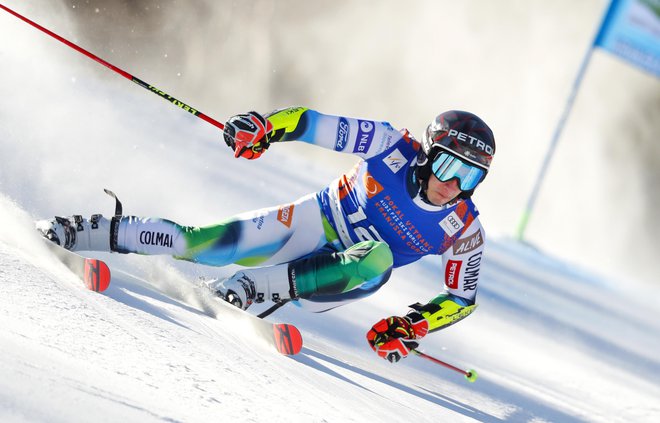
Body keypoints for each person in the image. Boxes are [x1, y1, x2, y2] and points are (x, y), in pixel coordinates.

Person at [36, 107, 495, 363]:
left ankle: (248, 290)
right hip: (314, 219)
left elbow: (461, 297)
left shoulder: (463, 228)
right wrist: (264, 128)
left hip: (339, 279)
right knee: (203, 244)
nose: (453, 186)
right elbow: (311, 124)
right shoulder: (390, 143)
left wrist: (410, 326)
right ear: (428, 154)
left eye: (470, 178)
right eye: (450, 166)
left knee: (377, 259)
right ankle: (82, 231)